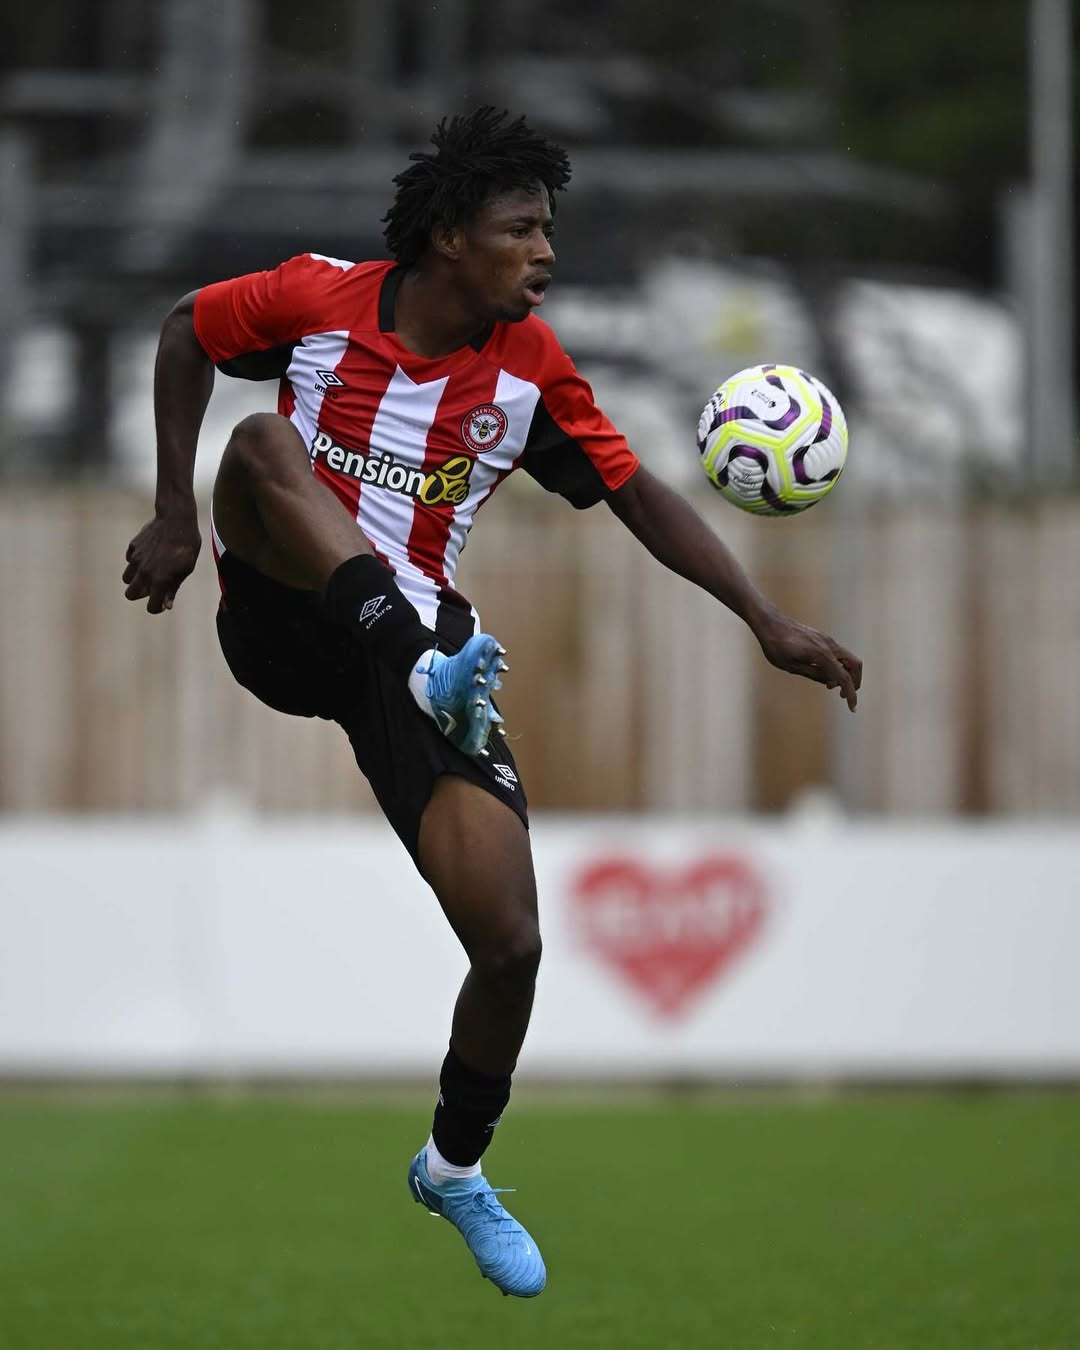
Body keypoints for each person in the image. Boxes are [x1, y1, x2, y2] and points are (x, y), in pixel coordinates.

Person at [123, 107, 862, 1299]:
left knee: (510, 940)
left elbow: (637, 494)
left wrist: (763, 617)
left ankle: (454, 1169)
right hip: (285, 616)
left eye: (548, 230)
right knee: (260, 444)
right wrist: (171, 509)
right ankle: (420, 662)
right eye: (523, 229)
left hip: (414, 652)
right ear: (450, 238)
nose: (546, 252)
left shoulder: (534, 372)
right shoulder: (314, 298)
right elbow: (182, 330)